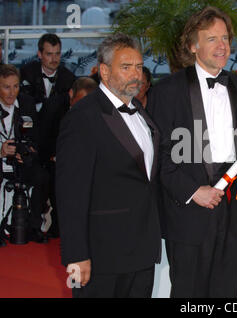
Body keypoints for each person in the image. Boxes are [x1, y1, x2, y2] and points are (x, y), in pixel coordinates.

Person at [150, 6, 237, 297]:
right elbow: (160, 156)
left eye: (225, 39)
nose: (222, 46)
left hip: (231, 211)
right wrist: (195, 191)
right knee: (188, 292)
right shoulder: (167, 91)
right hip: (188, 212)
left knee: (227, 290)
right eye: (211, 39)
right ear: (193, 46)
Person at [56, 33, 161, 298]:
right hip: (101, 255)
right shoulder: (83, 117)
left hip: (141, 250)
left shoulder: (141, 111)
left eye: (138, 66)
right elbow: (71, 194)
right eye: (125, 67)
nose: (135, 74)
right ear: (104, 71)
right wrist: (76, 256)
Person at [38, 77, 98, 238]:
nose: (84, 108)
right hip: (54, 162)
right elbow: (41, 141)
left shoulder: (98, 113)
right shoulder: (53, 108)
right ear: (71, 94)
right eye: (80, 102)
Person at [0, 64, 49, 243]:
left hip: (22, 161)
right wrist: (1, 151)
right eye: (6, 87)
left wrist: (28, 151)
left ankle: (34, 227)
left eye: (16, 86)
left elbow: (35, 137)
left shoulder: (27, 103)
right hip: (1, 160)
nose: (12, 92)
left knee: (41, 176)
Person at [20, 33, 75, 113]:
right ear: (39, 54)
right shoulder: (27, 73)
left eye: (57, 54)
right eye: (49, 54)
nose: (54, 59)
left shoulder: (69, 78)